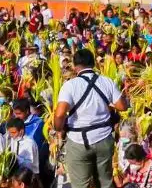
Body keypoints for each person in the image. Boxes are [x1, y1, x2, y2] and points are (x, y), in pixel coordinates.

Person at [54, 49, 128, 188]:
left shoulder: (70, 85)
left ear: (75, 66)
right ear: (93, 63)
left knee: (81, 184)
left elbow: (59, 114)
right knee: (105, 182)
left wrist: (59, 130)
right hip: (104, 139)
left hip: (78, 141)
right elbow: (122, 106)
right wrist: (108, 106)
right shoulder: (107, 82)